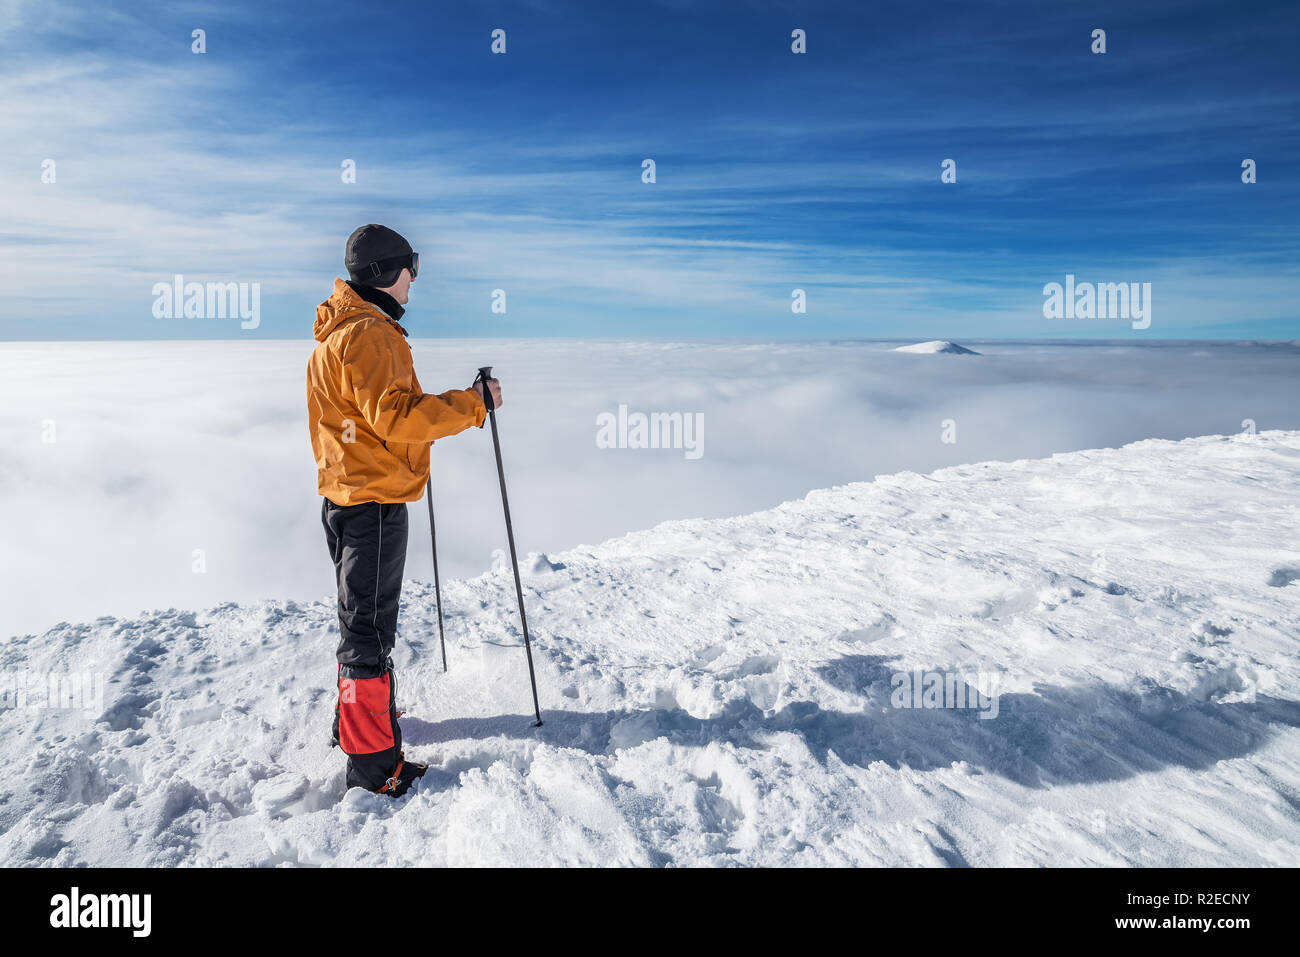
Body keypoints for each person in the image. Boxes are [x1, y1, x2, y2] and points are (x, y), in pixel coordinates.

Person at [306, 224, 503, 797]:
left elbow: (371, 418)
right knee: (367, 632)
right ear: (388, 272)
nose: (415, 274)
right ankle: (373, 766)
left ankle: (356, 727)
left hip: (347, 496)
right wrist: (474, 405)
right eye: (411, 263)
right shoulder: (370, 334)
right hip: (372, 503)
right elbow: (396, 418)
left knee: (359, 623)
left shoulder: (339, 333)